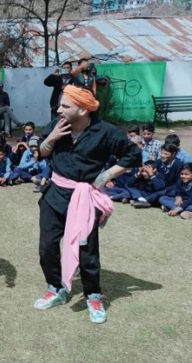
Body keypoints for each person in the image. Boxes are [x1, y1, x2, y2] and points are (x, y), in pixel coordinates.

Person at [34, 85, 140, 324]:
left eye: (65, 106)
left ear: (83, 110)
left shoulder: (106, 132)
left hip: (83, 198)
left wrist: (104, 177)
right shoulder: (56, 125)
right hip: (54, 195)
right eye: (60, 105)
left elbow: (133, 155)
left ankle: (93, 295)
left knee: (87, 251)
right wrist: (51, 139)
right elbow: (41, 153)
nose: (59, 109)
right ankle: (55, 288)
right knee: (47, 246)